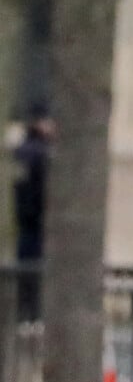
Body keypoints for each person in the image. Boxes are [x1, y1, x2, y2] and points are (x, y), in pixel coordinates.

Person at [13, 103, 55, 321]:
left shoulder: (22, 151)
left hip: (26, 226)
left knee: (26, 282)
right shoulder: (43, 154)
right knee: (36, 283)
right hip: (37, 227)